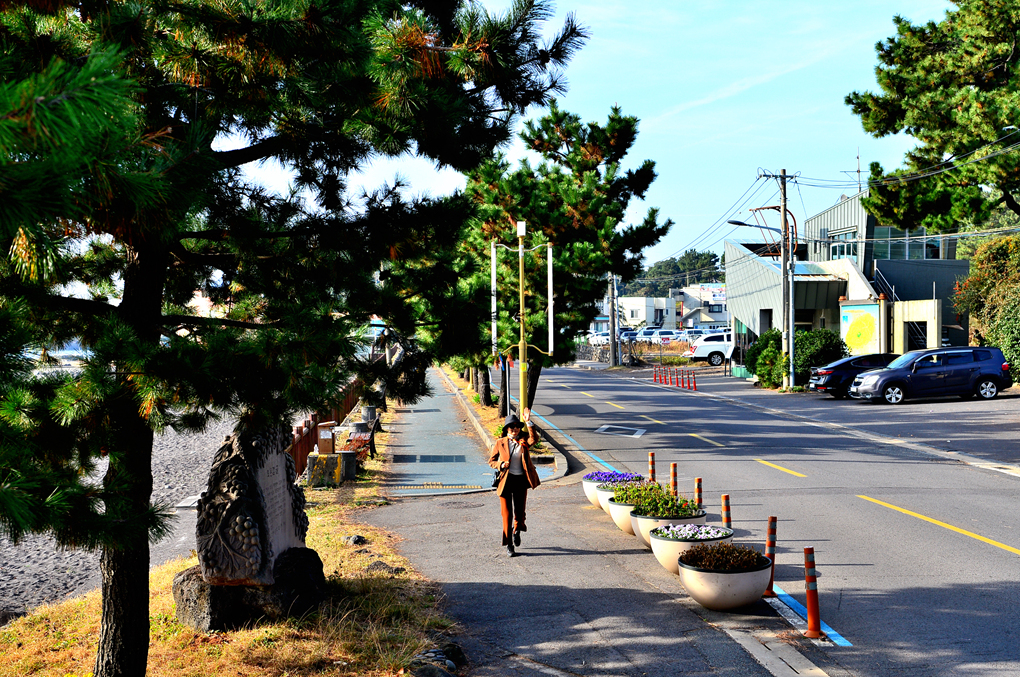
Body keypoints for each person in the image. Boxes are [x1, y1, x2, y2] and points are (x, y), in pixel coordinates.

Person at [488, 407, 541, 557]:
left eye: (517, 426)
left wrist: (528, 422)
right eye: (512, 427)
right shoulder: (500, 442)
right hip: (505, 481)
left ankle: (516, 531)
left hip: (520, 481)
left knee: (520, 512)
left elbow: (534, 439)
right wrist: (501, 465)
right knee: (507, 514)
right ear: (506, 429)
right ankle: (509, 545)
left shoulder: (524, 441)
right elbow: (491, 461)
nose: (515, 429)